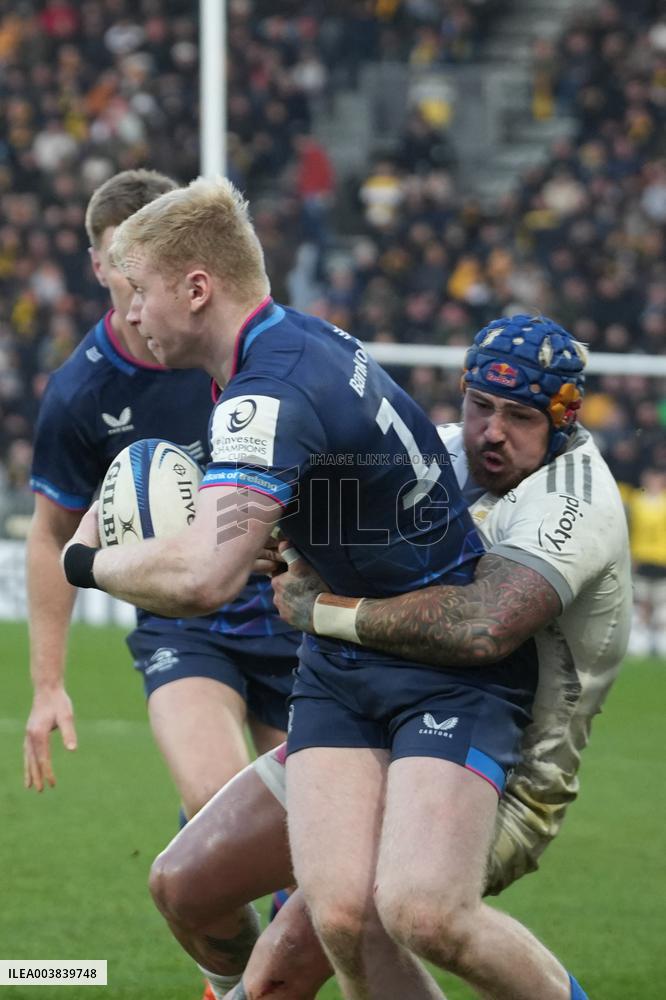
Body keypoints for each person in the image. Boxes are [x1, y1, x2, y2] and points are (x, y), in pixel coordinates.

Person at [62, 176, 595, 1000]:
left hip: (443, 669)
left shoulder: (265, 392)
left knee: (422, 913)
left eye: (139, 295)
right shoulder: (293, 345)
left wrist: (85, 562)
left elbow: (206, 578)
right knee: (343, 918)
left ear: (197, 289)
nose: (128, 315)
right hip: (342, 668)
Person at [146, 314, 631, 1000]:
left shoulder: (574, 502)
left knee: (346, 938)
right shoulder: (442, 451)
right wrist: (261, 537)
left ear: (563, 417)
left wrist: (324, 611)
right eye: (480, 406)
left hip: (505, 764)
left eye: (519, 416)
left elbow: (482, 627)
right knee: (184, 883)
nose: (492, 431)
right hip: (380, 711)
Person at [24, 169, 299, 999]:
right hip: (184, 624)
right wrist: (47, 685)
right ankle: (237, 981)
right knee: (221, 813)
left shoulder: (240, 344)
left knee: (317, 844)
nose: (134, 286)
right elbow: (49, 535)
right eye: (119, 265)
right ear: (100, 264)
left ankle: (285, 960)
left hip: (287, 614)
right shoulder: (82, 392)